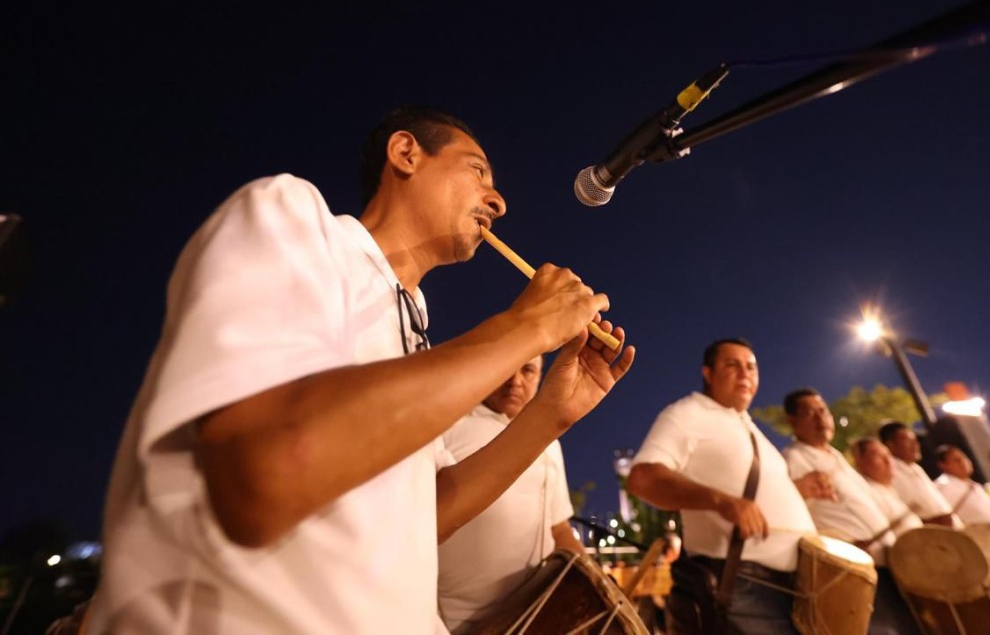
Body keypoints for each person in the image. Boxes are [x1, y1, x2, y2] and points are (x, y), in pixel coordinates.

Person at [86, 105, 635, 634]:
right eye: (477, 171)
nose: (498, 200)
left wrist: (550, 415)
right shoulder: (294, 222)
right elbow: (265, 468)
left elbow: (430, 512)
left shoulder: (415, 337)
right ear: (405, 153)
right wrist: (523, 329)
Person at [626, 338, 816, 635]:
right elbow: (643, 478)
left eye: (751, 367)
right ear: (708, 373)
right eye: (732, 365)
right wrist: (722, 501)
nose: (745, 373)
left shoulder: (750, 427)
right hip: (740, 587)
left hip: (793, 586)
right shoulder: (686, 414)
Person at [437, 354, 585, 633]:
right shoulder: (447, 426)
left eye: (527, 370)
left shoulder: (549, 439)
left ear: (540, 376)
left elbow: (559, 529)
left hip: (536, 614)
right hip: (454, 624)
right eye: (506, 368)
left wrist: (594, 576)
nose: (515, 381)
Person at [783, 391, 920, 635]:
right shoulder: (794, 458)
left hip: (888, 569)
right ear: (792, 422)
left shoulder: (837, 458)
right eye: (809, 413)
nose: (820, 418)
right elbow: (790, 513)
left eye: (823, 410)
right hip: (852, 574)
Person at [878, 421, 962, 527]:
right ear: (890, 445)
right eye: (907, 440)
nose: (915, 445)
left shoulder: (916, 468)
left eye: (915, 440)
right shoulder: (892, 473)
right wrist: (931, 522)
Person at [851, 436, 923, 537]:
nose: (888, 461)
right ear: (859, 462)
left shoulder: (889, 489)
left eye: (888, 455)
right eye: (878, 456)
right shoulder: (866, 493)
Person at [932, 445, 990, 528]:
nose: (963, 462)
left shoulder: (974, 485)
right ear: (943, 465)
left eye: (964, 458)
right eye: (956, 460)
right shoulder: (943, 485)